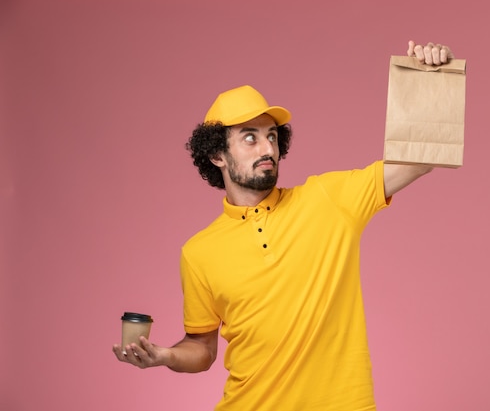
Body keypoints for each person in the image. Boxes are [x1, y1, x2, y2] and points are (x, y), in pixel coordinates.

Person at [113, 41, 455, 410]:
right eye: (250, 137)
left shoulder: (328, 199)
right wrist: (164, 355)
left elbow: (421, 158)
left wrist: (431, 80)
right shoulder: (198, 252)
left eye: (272, 136)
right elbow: (202, 347)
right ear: (216, 155)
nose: (268, 149)